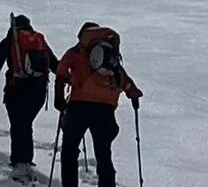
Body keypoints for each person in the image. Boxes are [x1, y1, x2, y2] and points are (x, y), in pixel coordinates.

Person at [54, 22, 143, 187]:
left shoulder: (75, 52)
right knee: (103, 154)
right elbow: (124, 81)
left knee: (69, 151)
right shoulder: (110, 57)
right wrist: (134, 94)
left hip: (78, 108)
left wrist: (59, 99)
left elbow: (61, 73)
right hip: (105, 111)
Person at [0, 15, 59, 183]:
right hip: (38, 92)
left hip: (17, 90)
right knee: (26, 125)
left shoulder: (10, 41)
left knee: (18, 126)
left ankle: (19, 164)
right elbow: (55, 65)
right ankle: (26, 162)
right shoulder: (40, 41)